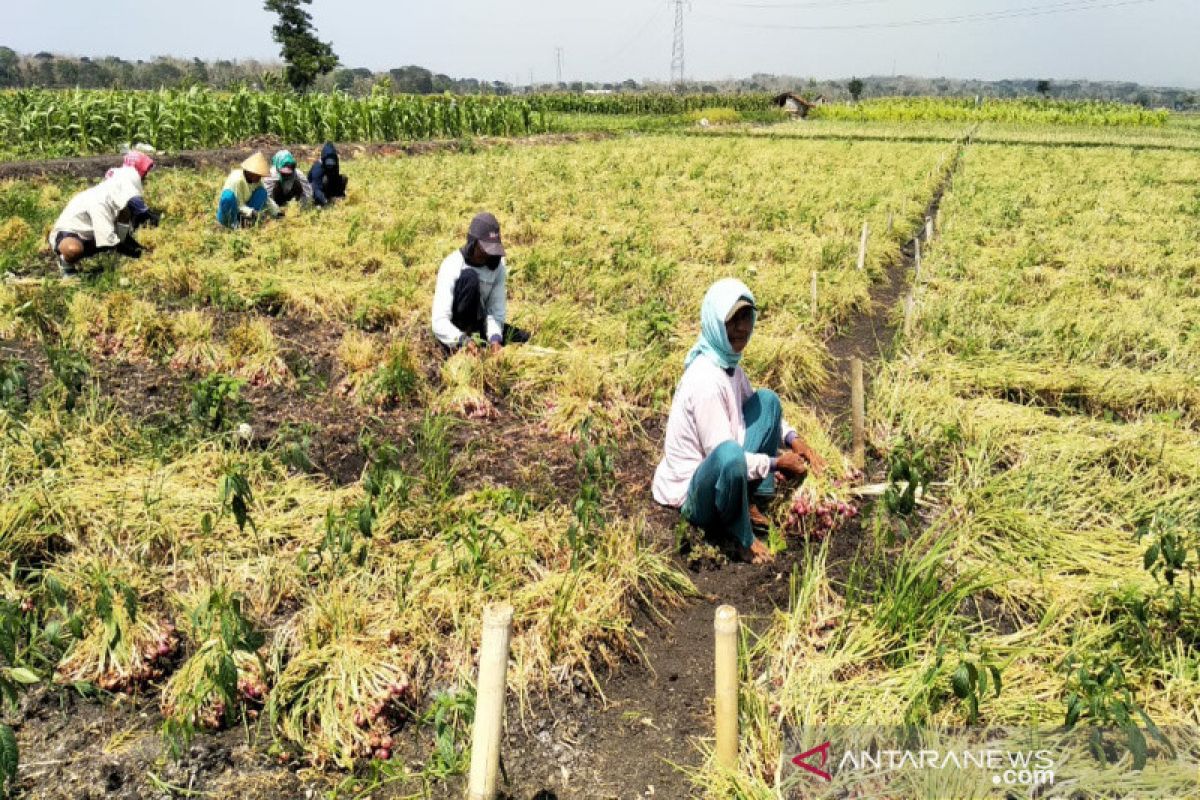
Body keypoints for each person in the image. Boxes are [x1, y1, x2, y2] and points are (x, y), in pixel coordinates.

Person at [652, 278, 826, 563]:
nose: (742, 328)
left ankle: (752, 501)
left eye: (746, 318)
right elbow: (724, 457)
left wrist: (795, 440)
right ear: (715, 323)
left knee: (768, 401)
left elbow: (760, 412)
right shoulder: (705, 380)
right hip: (694, 495)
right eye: (733, 320)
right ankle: (740, 536)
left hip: (724, 467)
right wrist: (775, 463)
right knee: (731, 453)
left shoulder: (729, 365)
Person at [431, 212, 530, 354]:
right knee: (470, 278)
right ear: (473, 242)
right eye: (483, 249)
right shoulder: (452, 265)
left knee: (523, 339)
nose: (487, 254)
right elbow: (439, 320)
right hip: (457, 328)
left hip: (480, 323)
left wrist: (495, 339)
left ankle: (481, 341)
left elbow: (495, 310)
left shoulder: (498, 266)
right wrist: (462, 340)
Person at [48, 153, 155, 278]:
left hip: (92, 235)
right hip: (70, 234)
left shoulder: (116, 199)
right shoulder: (100, 203)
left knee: (124, 214)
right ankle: (66, 265)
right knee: (73, 250)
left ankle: (111, 256)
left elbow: (121, 236)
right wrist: (140, 255)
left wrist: (142, 250)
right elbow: (109, 241)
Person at [216, 152, 281, 229]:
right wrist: (251, 212)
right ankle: (231, 225)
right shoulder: (237, 180)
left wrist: (277, 212)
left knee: (262, 192)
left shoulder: (257, 181)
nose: (260, 178)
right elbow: (238, 204)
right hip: (230, 209)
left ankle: (248, 221)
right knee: (228, 197)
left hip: (244, 210)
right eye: (258, 175)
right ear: (250, 173)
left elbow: (267, 199)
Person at [308, 142, 348, 207]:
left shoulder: (335, 164)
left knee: (343, 178)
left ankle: (337, 197)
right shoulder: (318, 167)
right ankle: (323, 200)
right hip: (315, 188)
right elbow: (316, 189)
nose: (330, 164)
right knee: (325, 179)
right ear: (323, 160)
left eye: (332, 161)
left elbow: (335, 178)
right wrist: (325, 202)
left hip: (326, 185)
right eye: (328, 161)